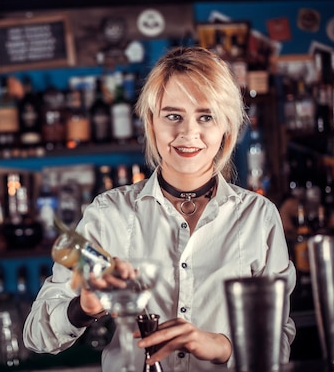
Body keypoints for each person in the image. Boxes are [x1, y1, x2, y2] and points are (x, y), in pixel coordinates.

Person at [22, 46, 296, 371]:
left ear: (226, 126)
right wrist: (84, 307)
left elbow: (277, 341)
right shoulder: (109, 214)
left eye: (205, 116)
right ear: (151, 122)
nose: (187, 133)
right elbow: (35, 335)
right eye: (173, 116)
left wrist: (217, 346)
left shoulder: (258, 217)